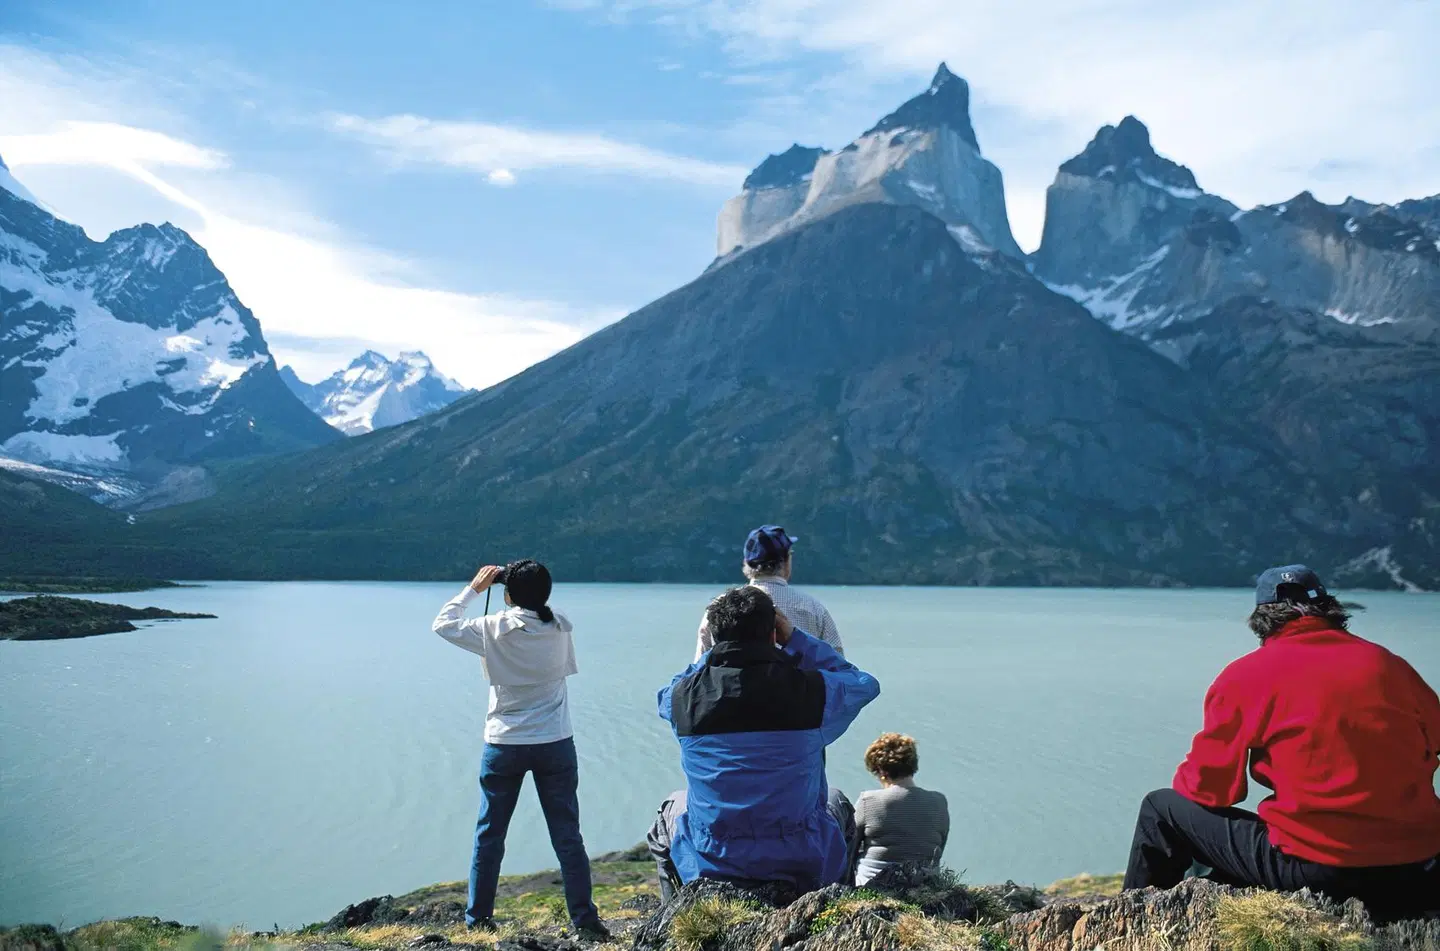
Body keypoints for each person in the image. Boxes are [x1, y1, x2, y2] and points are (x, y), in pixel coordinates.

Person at [1124, 564, 1440, 922]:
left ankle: (1136, 928)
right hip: (1418, 863)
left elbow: (1211, 790)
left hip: (1318, 867)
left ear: (1262, 619)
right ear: (1330, 608)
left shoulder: (1246, 675)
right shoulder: (1391, 665)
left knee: (1160, 809)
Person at [649, 586, 880, 899]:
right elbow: (863, 683)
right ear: (774, 633)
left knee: (669, 810)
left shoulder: (684, 699)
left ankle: (676, 916)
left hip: (712, 861)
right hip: (801, 860)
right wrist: (795, 639)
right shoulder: (810, 691)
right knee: (837, 801)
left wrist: (708, 650)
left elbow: (671, 687)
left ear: (716, 636)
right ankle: (833, 903)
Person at [432, 560, 608, 940]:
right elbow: (535, 609)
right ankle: (586, 920)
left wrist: (476, 588)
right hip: (556, 743)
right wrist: (513, 588)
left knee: (490, 834)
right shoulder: (560, 625)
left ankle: (479, 919)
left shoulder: (493, 629)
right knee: (568, 836)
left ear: (508, 594)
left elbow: (443, 624)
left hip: (505, 744)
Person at [694, 525, 842, 662]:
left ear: (746, 562)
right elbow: (838, 667)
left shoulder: (718, 608)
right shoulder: (814, 609)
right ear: (786, 560)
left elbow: (698, 671)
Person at [853, 733, 950, 886]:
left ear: (881, 771)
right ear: (913, 765)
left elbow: (849, 848)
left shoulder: (868, 801)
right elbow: (937, 850)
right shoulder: (939, 802)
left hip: (872, 884)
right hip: (924, 885)